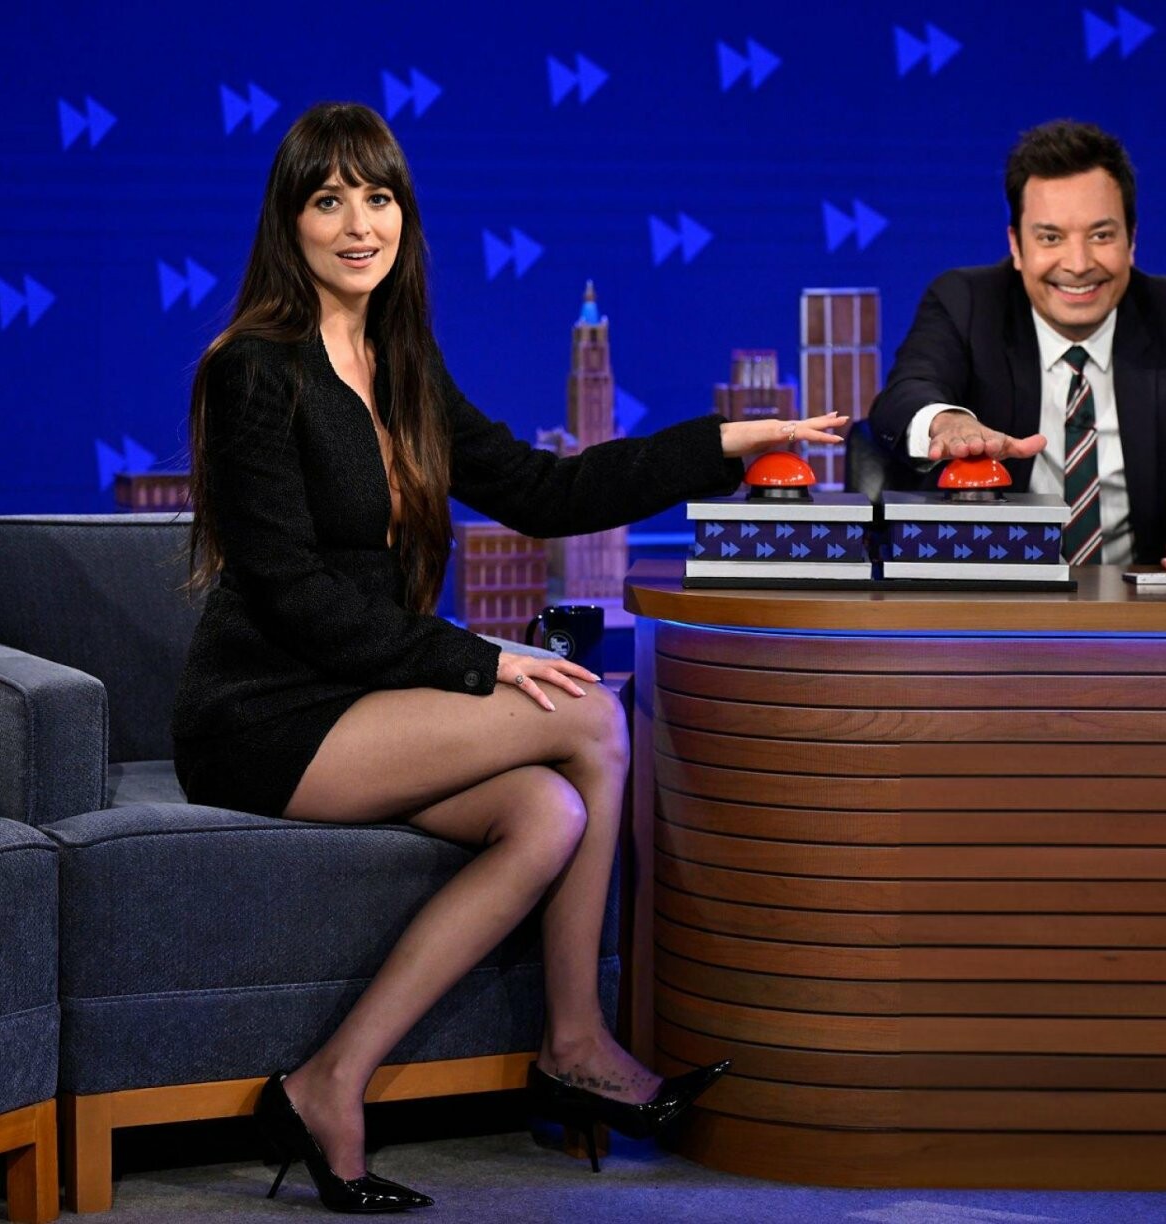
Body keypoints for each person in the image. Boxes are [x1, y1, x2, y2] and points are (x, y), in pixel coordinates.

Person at [171, 102, 845, 1213]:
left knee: (547, 811)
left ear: (406, 216)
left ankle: (331, 1080)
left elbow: (545, 491)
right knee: (590, 715)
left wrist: (727, 442)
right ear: (288, 223)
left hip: (361, 695)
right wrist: (480, 661)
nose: (359, 224)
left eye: (379, 198)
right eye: (329, 201)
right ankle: (575, 1044)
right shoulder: (253, 369)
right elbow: (293, 595)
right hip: (265, 712)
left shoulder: (403, 363)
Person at [866, 120, 1166, 570]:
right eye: (1050, 237)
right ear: (1016, 246)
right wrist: (948, 422)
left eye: (1101, 235)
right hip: (991, 596)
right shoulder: (966, 304)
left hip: (1147, 608)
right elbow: (904, 396)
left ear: (1131, 240)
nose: (1078, 264)